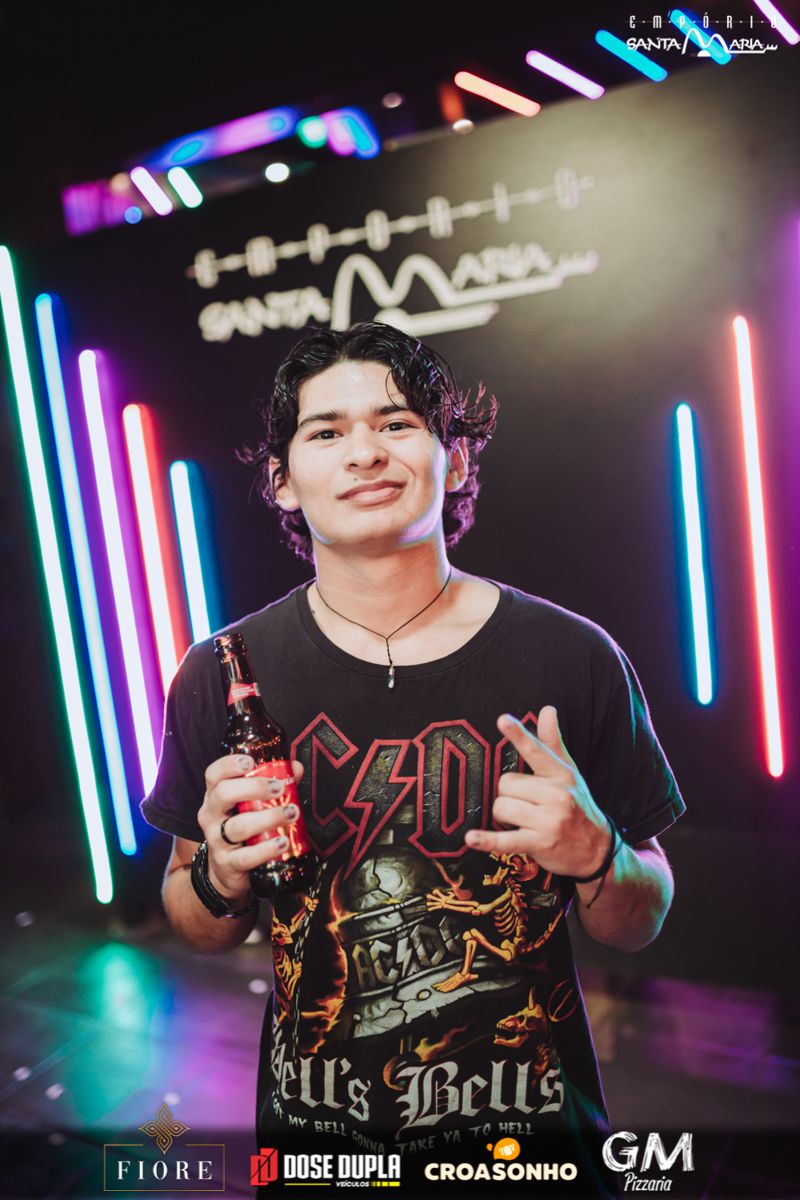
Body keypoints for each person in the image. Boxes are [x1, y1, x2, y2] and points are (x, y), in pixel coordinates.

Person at [141, 321, 684, 1198]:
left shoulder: (574, 657)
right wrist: (219, 875)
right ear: (282, 482)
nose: (365, 452)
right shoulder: (224, 674)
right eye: (326, 431)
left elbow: (642, 913)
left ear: (455, 460)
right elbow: (196, 923)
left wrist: (598, 855)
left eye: (397, 423)